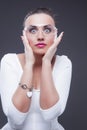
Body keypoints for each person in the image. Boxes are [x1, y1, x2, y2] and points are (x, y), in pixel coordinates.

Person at [0, 7, 72, 130]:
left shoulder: (63, 63)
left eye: (47, 30)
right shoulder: (9, 61)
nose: (40, 36)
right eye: (33, 30)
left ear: (55, 34)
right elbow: (16, 118)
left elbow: (49, 114)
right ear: (24, 35)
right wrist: (29, 65)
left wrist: (46, 62)